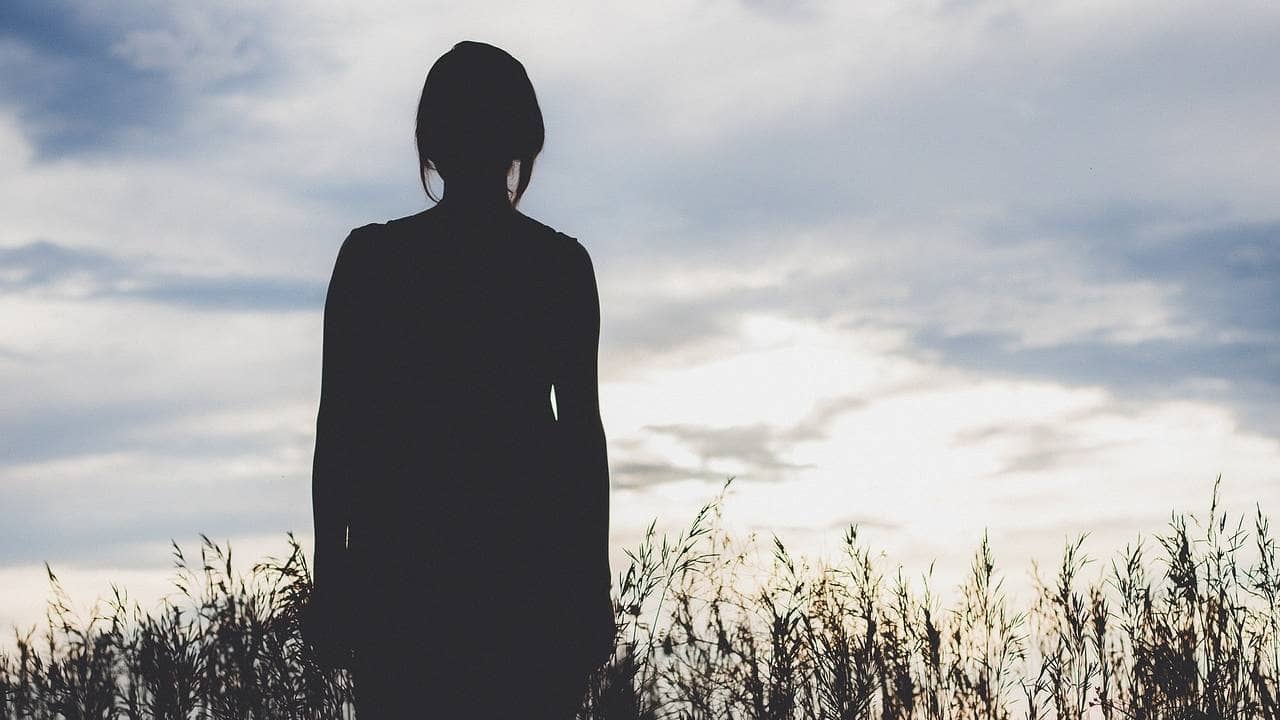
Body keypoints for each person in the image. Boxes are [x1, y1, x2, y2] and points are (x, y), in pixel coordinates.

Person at [304, 40, 616, 719]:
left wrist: (334, 580)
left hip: (405, 578)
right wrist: (592, 588)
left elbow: (340, 435)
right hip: (526, 581)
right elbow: (580, 441)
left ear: (431, 143)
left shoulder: (372, 261)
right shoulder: (558, 267)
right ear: (523, 143)